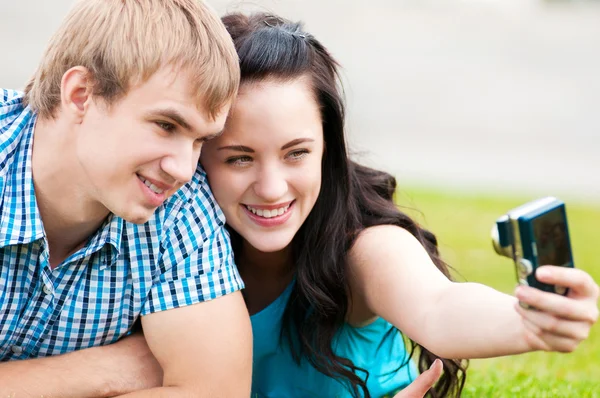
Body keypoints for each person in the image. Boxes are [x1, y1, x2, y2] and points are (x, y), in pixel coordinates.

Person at [198, 12, 599, 397]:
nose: (271, 188)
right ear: (197, 156)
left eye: (296, 153)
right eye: (240, 158)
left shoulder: (362, 250)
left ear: (327, 149)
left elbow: (438, 306)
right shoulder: (169, 250)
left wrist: (525, 322)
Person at [0, 1, 251, 397]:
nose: (183, 169)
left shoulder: (181, 207)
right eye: (166, 125)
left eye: (200, 140)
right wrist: (107, 371)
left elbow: (216, 390)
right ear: (81, 94)